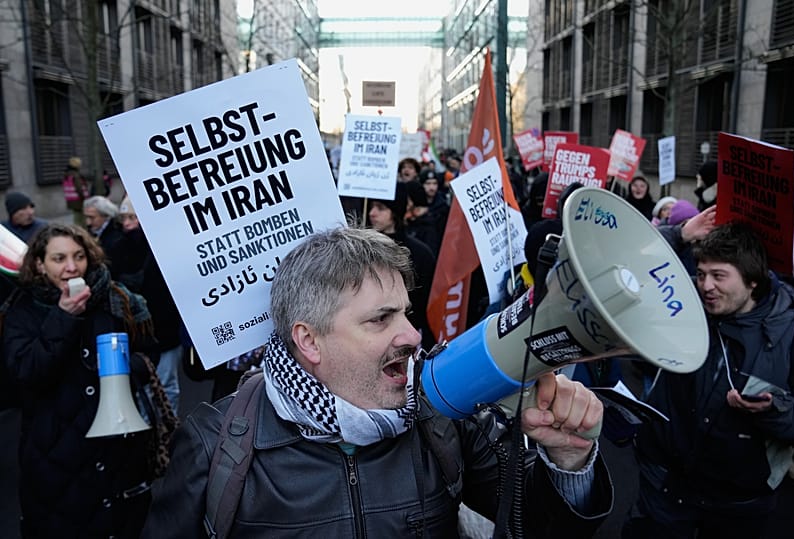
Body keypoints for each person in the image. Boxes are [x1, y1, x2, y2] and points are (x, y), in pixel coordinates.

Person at [142, 226, 613, 537]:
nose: (412, 336)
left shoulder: (441, 416)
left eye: (405, 314)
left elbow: (536, 526)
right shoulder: (217, 444)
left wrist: (568, 461)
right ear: (309, 340)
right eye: (380, 319)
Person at [624, 222, 794, 538]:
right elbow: (626, 267)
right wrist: (679, 234)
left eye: (719, 276)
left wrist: (774, 411)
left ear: (752, 280)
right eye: (700, 274)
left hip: (739, 502)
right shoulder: (684, 305)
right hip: (665, 484)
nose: (705, 286)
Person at [1, 223, 158, 538]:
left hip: (117, 454)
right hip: (56, 458)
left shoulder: (115, 299)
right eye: (59, 259)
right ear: (40, 264)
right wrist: (64, 317)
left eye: (79, 256)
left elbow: (148, 352)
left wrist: (127, 368)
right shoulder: (21, 311)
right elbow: (25, 372)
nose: (72, 267)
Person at [109, 196, 184, 414]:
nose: (127, 224)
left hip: (164, 329)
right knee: (142, 386)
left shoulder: (164, 246)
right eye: (124, 218)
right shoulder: (116, 248)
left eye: (132, 218)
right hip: (136, 332)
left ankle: (168, 425)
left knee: (166, 384)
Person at [368, 182, 437, 348]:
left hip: (409, 339)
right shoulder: (363, 250)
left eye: (380, 208)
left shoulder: (420, 253)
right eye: (371, 207)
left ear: (395, 212)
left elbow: (427, 304)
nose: (372, 213)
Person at [62, 156, 90, 225]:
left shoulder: (66, 175)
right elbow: (79, 188)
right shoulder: (76, 175)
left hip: (71, 200)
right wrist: (84, 197)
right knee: (81, 218)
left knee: (77, 216)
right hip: (78, 200)